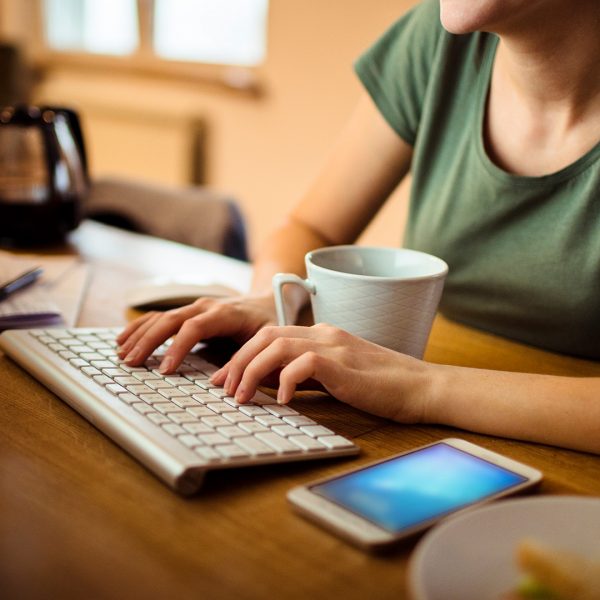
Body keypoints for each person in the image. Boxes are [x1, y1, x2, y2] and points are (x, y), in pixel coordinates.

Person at [117, 0, 600, 454]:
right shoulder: (438, 36)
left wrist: (423, 387)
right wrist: (276, 303)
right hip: (439, 439)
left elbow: (420, 386)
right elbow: (310, 226)